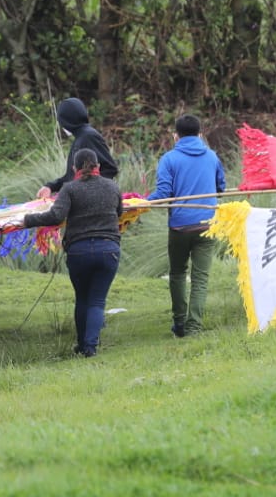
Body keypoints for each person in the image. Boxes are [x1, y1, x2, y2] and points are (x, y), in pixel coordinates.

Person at [23, 148, 123, 357]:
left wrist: (29, 219)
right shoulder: (112, 187)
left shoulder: (70, 189)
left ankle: (81, 343)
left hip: (79, 252)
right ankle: (90, 346)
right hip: (108, 250)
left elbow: (56, 216)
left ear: (74, 168)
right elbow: (119, 213)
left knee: (83, 299)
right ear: (98, 166)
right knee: (97, 301)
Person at [147, 115, 226, 338]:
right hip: (207, 224)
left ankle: (180, 323)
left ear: (175, 136)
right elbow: (220, 187)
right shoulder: (212, 156)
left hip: (180, 227)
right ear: (200, 135)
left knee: (178, 273)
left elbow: (163, 194)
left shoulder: (169, 159)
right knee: (200, 278)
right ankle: (194, 327)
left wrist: (142, 202)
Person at [37, 97, 119, 200]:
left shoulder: (88, 137)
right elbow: (71, 177)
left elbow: (110, 169)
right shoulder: (80, 139)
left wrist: (87, 190)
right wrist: (50, 186)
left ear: (66, 120)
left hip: (96, 203)